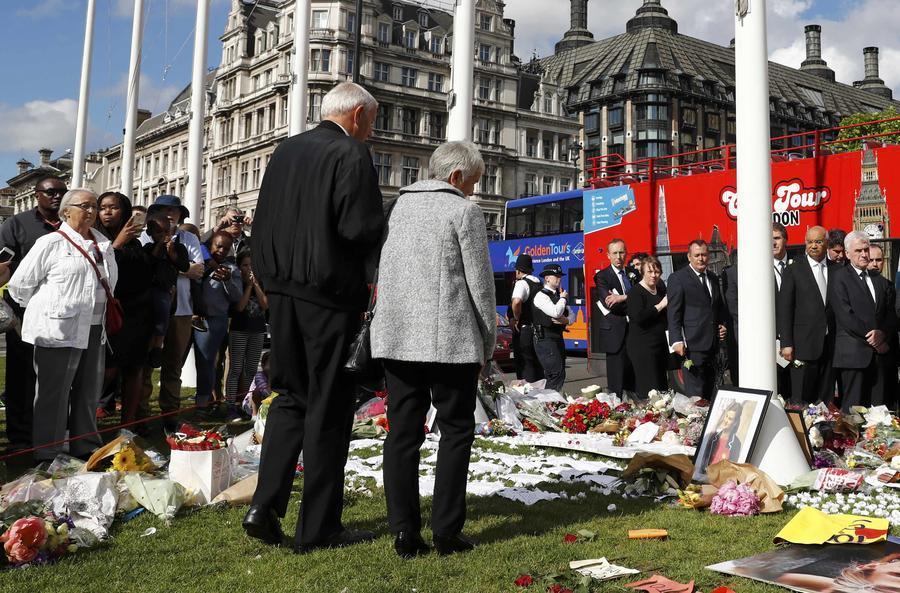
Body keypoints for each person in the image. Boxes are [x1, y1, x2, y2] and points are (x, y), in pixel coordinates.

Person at [244, 82, 384, 552]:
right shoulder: (350, 153)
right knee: (327, 405)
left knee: (290, 396)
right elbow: (358, 227)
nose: (372, 131)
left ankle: (263, 505)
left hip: (281, 291)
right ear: (359, 115)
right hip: (328, 294)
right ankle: (318, 525)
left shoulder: (285, 152)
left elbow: (262, 221)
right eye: (373, 121)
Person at [371, 141, 495, 558]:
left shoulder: (398, 208)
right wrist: (488, 339)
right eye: (473, 182)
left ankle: (404, 531)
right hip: (450, 340)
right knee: (456, 431)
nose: (474, 191)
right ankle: (445, 529)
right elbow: (479, 283)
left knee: (403, 435)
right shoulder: (464, 211)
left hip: (397, 337)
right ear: (457, 177)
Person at [7, 189, 117, 462]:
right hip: (57, 330)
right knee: (52, 394)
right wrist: (49, 308)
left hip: (94, 328)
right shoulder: (51, 243)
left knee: (88, 391)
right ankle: (48, 451)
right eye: (85, 206)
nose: (91, 211)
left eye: (94, 206)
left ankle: (85, 444)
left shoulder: (103, 243)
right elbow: (20, 285)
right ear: (66, 211)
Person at [0, 176, 65, 452]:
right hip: (24, 312)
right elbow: (3, 264)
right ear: (37, 195)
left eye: (63, 191)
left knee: (55, 376)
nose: (57, 196)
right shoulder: (16, 224)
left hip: (61, 311)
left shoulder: (71, 225)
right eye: (51, 192)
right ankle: (20, 436)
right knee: (21, 375)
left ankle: (51, 432)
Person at [139, 195, 204, 431]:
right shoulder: (144, 236)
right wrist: (180, 267)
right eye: (163, 209)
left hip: (182, 310)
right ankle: (142, 414)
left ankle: (170, 414)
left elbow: (199, 271)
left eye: (174, 211)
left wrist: (168, 268)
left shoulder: (188, 238)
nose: (169, 214)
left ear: (180, 215)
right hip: (148, 309)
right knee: (145, 365)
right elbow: (143, 269)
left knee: (173, 365)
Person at [93, 191, 154, 425]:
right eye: (103, 207)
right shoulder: (94, 239)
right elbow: (101, 271)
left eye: (114, 207)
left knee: (134, 369)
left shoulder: (137, 243)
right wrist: (117, 244)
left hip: (138, 314)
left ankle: (128, 424)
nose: (107, 212)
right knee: (107, 370)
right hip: (109, 314)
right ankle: (83, 421)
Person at [830, 231, 897, 411]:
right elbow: (846, 316)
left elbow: (890, 314)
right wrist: (874, 338)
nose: (864, 254)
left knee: (879, 410)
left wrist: (883, 334)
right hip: (853, 356)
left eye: (866, 249)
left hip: (879, 358)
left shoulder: (880, 281)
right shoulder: (839, 278)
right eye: (858, 250)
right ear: (847, 253)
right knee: (853, 411)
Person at [778, 226, 836, 405]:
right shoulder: (794, 270)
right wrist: (786, 343)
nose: (813, 246)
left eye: (818, 242)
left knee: (826, 396)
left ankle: (825, 429)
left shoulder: (838, 269)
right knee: (801, 395)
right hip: (803, 344)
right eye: (810, 242)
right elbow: (785, 308)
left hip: (831, 343)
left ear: (826, 243)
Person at [667, 239, 727, 400]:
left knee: (710, 393)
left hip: (712, 347)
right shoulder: (678, 278)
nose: (701, 258)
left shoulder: (713, 278)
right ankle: (695, 424)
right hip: (692, 346)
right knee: (696, 396)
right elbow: (673, 313)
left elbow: (716, 307)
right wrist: (676, 340)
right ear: (689, 257)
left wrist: (722, 326)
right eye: (697, 255)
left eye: (704, 255)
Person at [194, 232, 242, 411]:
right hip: (189, 318)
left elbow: (236, 297)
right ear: (210, 245)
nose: (221, 250)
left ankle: (202, 404)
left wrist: (228, 281)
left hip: (212, 321)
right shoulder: (198, 262)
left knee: (206, 362)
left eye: (226, 248)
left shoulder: (231, 270)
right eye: (218, 245)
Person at [144, 210, 190, 368]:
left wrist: (172, 253)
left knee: (163, 307)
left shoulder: (179, 248)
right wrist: (159, 246)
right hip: (150, 292)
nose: (163, 235)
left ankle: (158, 346)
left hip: (167, 291)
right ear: (150, 233)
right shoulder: (148, 248)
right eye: (158, 232)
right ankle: (153, 347)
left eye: (166, 231)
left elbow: (184, 266)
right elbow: (149, 264)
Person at [226, 250, 268, 419]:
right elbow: (240, 307)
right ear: (239, 267)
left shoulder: (262, 282)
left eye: (252, 265)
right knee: (236, 368)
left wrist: (256, 285)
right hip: (239, 329)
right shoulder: (236, 282)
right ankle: (230, 405)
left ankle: (247, 403)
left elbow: (265, 305)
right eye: (245, 265)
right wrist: (248, 286)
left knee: (251, 369)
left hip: (257, 330)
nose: (249, 268)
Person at [593, 239, 636, 396]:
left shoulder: (633, 274)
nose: (619, 256)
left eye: (621, 252)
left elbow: (642, 297)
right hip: (615, 333)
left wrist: (623, 297)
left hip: (634, 331)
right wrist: (632, 302)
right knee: (616, 382)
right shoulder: (602, 277)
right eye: (615, 253)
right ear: (608, 255)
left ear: (626, 253)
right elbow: (610, 304)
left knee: (634, 377)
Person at [625, 256, 669, 400]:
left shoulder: (661, 289)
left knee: (662, 388)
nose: (653, 275)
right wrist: (660, 305)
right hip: (642, 348)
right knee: (650, 390)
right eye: (649, 272)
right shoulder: (635, 292)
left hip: (659, 346)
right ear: (642, 272)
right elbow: (638, 317)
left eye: (657, 272)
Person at [533, 264, 571, 393]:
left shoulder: (558, 296)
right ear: (547, 278)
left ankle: (551, 401)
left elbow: (572, 315)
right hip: (545, 338)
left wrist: (566, 320)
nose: (559, 279)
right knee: (555, 373)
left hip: (557, 337)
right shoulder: (541, 296)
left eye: (560, 276)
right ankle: (548, 402)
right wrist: (563, 299)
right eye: (556, 276)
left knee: (560, 373)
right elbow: (556, 312)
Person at [508, 253, 543, 383]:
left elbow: (516, 302)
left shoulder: (521, 283)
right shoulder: (539, 283)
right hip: (538, 331)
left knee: (524, 363)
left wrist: (516, 318)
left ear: (518, 270)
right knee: (536, 364)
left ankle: (527, 397)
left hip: (524, 330)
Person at [698, 400, 744, 473]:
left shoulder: (736, 443)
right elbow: (703, 461)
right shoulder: (713, 436)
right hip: (706, 475)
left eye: (730, 419)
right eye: (726, 416)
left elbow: (733, 469)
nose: (726, 420)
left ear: (735, 423)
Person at [242, 351, 271, 418]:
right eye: (270, 363)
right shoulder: (259, 375)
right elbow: (266, 392)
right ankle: (254, 415)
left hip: (268, 401)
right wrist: (270, 376)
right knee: (256, 392)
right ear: (263, 365)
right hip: (250, 405)